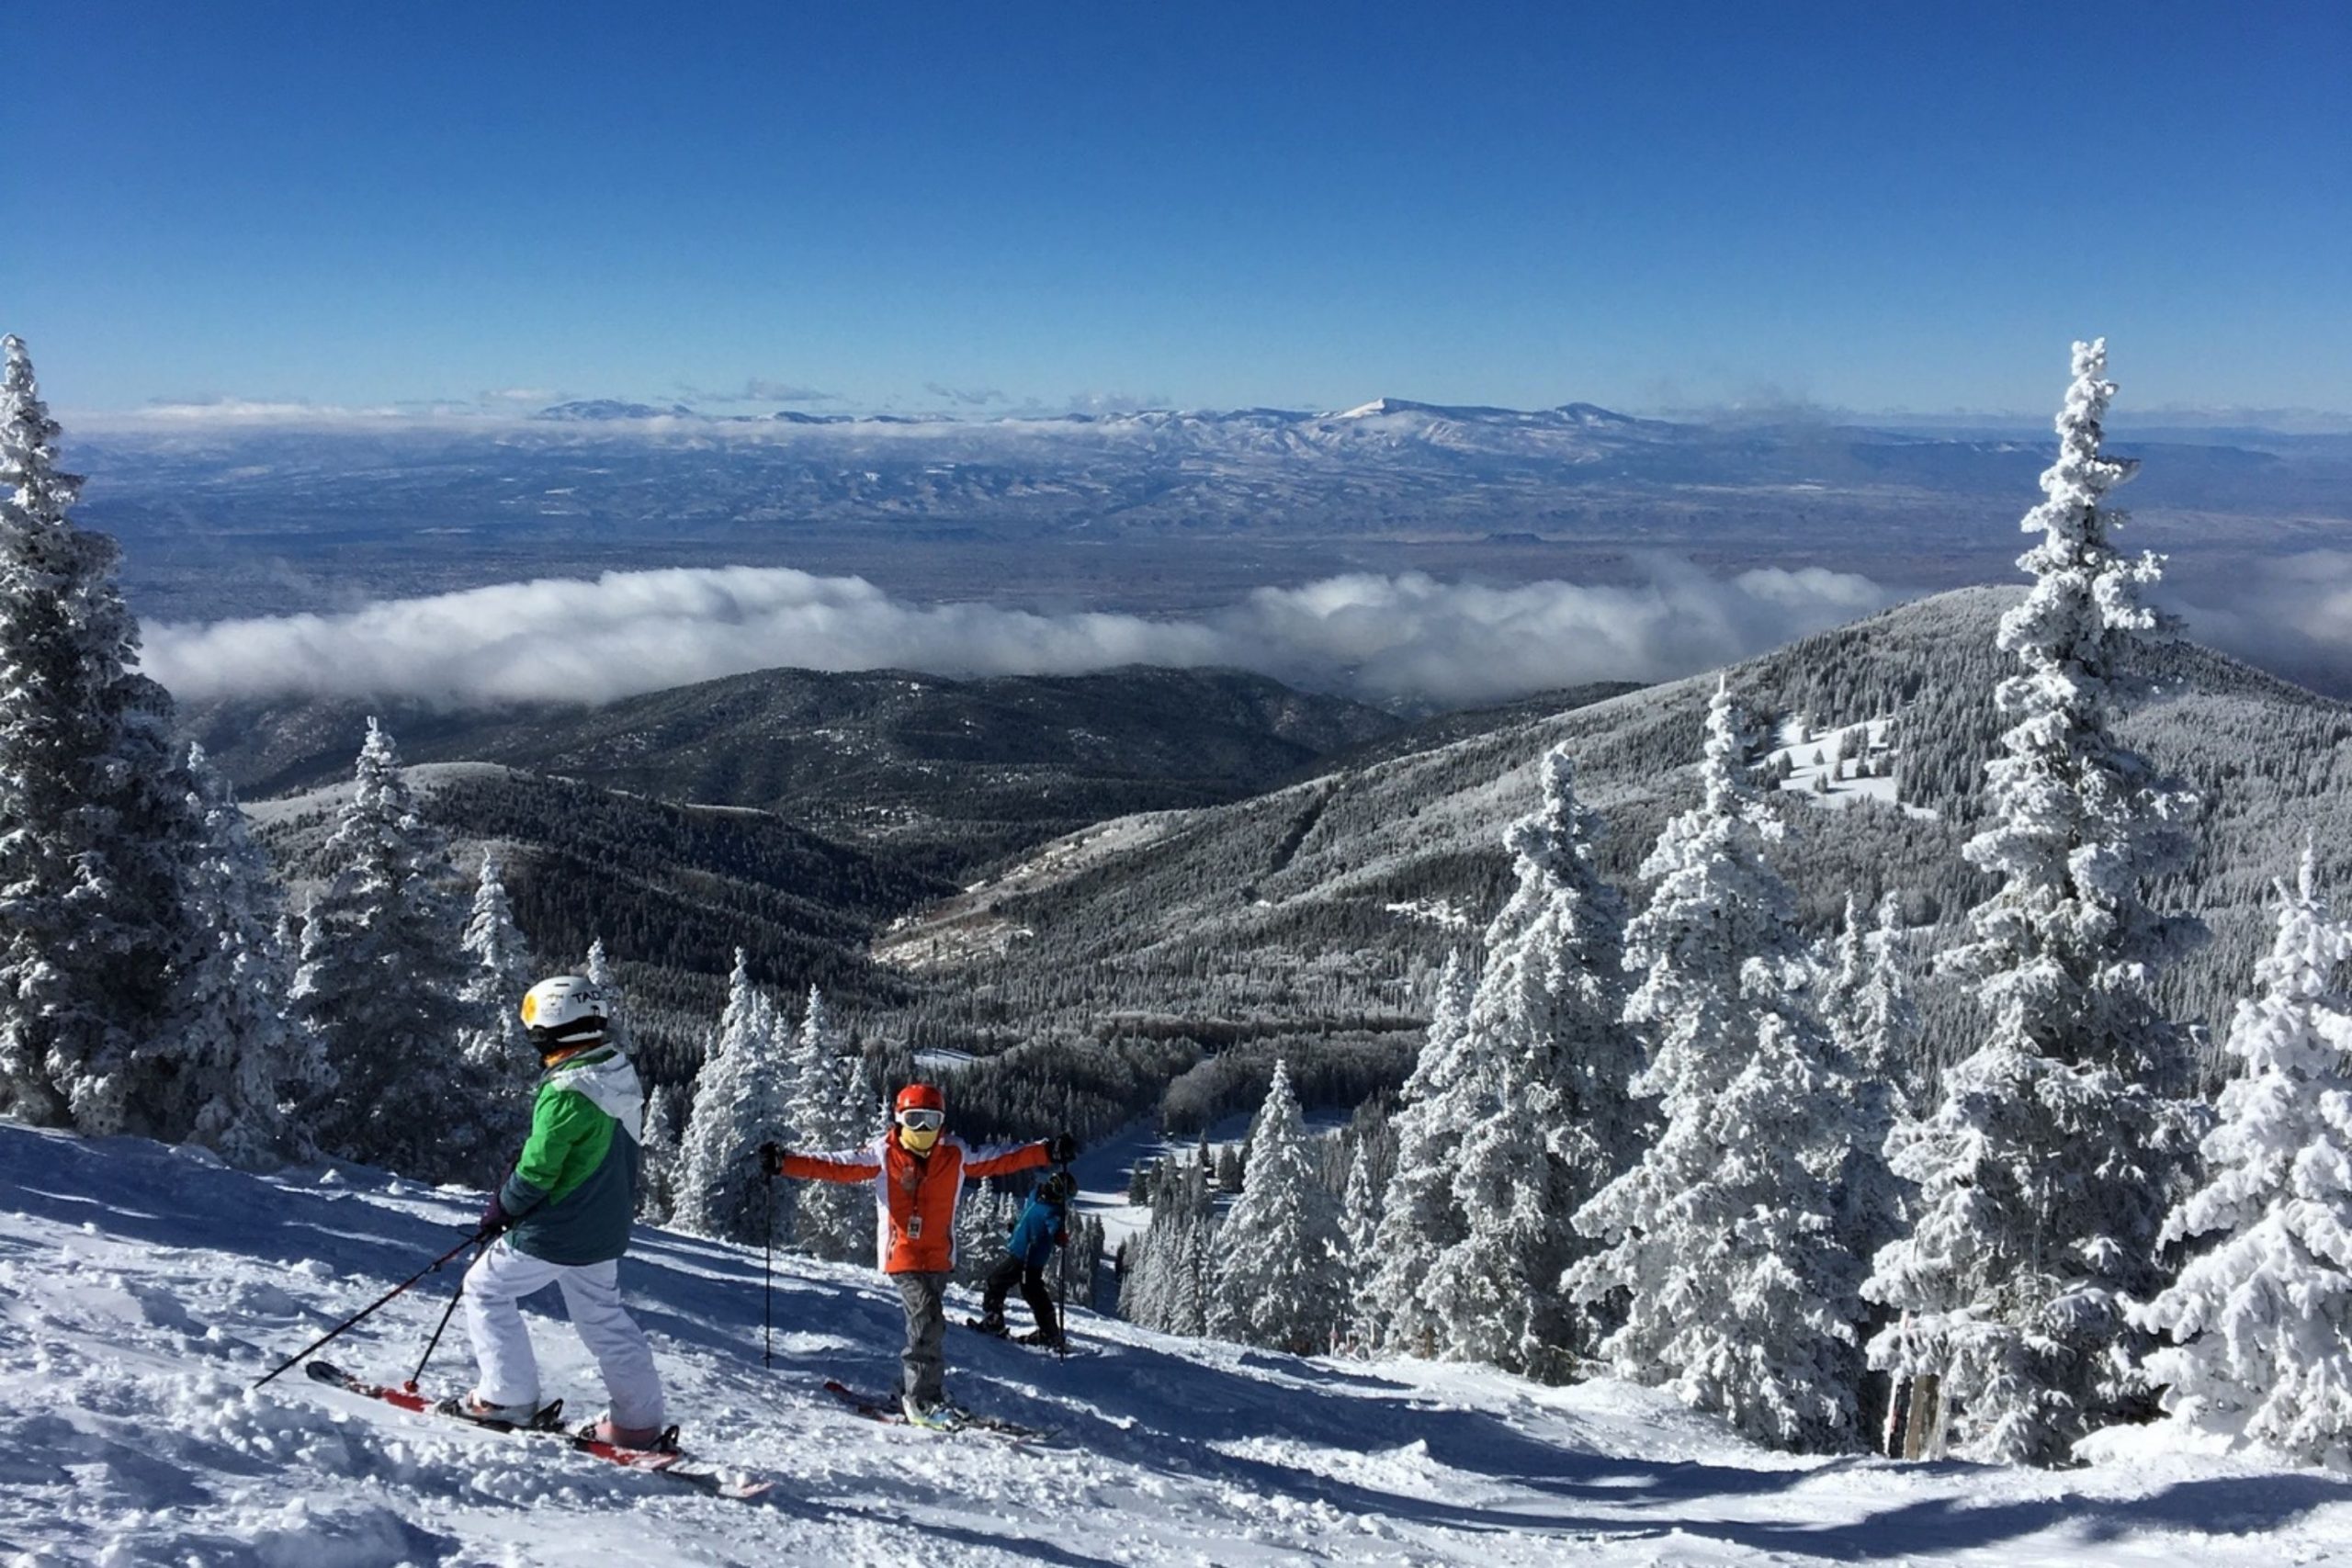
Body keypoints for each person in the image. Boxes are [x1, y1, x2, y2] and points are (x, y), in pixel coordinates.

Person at [764, 1084, 1077, 1428]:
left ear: (942, 1121)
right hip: (904, 1254)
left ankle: (911, 1388)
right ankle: (921, 1400)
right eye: (915, 1119)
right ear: (900, 1119)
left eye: (931, 1120)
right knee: (927, 1317)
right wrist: (785, 1162)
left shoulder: (955, 1154)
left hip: (938, 1257)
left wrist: (1047, 1152)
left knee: (926, 1325)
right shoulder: (883, 1154)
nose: (923, 1129)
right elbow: (834, 1165)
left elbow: (1004, 1158)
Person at [456, 975, 668, 1448]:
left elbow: (538, 1170)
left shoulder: (568, 1090)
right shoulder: (616, 1069)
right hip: (603, 1228)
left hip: (558, 1227)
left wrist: (501, 1208)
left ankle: (506, 1396)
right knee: (603, 1319)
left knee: (485, 1289)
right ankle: (637, 1424)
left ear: (548, 1030)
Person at [968, 1169, 1078, 1348]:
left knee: (1000, 1281)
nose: (1055, 1192)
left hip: (1027, 1257)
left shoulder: (1053, 1211)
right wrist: (1017, 1226)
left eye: (1060, 1192)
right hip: (1023, 1253)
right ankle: (1049, 1333)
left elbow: (1054, 1227)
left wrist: (1059, 1236)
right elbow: (1029, 1214)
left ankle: (995, 1321)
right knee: (1031, 1291)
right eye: (1056, 1187)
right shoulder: (1037, 1196)